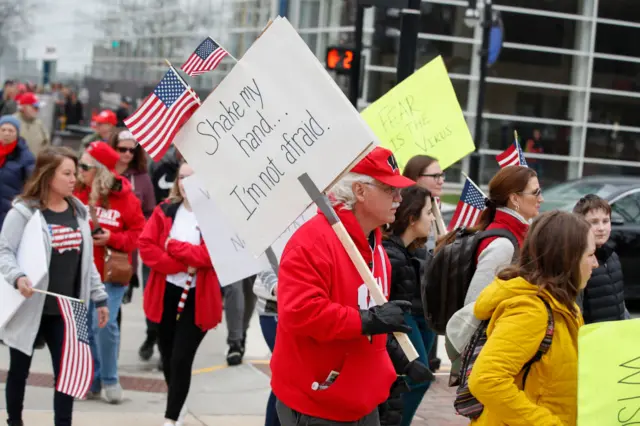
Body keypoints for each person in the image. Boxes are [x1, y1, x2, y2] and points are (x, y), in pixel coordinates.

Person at [271, 147, 431, 426]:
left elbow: (372, 318)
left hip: (362, 399)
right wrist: (367, 320)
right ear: (360, 190)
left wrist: (399, 358)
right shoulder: (312, 241)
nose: (399, 198)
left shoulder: (376, 245)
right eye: (389, 189)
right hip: (319, 402)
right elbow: (300, 312)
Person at [0, 146, 109, 426]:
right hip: (30, 305)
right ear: (48, 175)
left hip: (69, 309)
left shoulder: (79, 210)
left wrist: (99, 297)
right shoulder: (24, 212)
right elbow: (4, 251)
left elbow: (87, 263)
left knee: (68, 374)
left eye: (75, 173)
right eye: (67, 173)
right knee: (19, 371)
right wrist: (17, 277)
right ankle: (14, 421)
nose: (74, 179)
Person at [467, 211, 598, 425]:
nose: (596, 264)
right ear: (568, 259)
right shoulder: (531, 311)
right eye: (590, 255)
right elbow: (485, 380)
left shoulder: (564, 305)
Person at [139, 162, 223, 426]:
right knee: (166, 354)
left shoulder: (213, 215)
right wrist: (178, 263)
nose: (186, 183)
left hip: (198, 297)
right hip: (167, 291)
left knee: (181, 357)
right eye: (182, 178)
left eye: (193, 178)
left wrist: (172, 245)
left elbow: (208, 256)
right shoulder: (166, 210)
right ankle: (179, 403)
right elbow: (146, 246)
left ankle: (171, 418)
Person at [74, 141, 145, 403]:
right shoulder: (77, 193)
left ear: (101, 170)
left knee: (103, 323)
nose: (79, 170)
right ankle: (91, 378)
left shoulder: (126, 197)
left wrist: (113, 237)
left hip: (111, 274)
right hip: (81, 272)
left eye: (85, 166)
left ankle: (110, 379)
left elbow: (139, 233)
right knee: (85, 328)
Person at [382, 186, 435, 426]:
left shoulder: (409, 252)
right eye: (428, 212)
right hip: (398, 329)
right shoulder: (392, 254)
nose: (433, 217)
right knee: (415, 380)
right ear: (412, 218)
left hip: (411, 323)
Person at [110, 129, 156, 307]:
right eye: (123, 149)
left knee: (115, 307)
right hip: (102, 242)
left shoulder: (142, 178)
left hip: (126, 249)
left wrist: (139, 229)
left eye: (132, 150)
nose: (127, 153)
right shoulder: (103, 172)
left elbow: (149, 211)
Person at [573, 194, 630, 323]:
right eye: (594, 222)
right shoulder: (577, 261)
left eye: (605, 221)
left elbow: (621, 304)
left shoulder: (612, 256)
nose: (601, 228)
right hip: (591, 337)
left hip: (615, 335)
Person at [254, 268, 280, 426]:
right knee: (285, 371)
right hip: (272, 309)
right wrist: (276, 286)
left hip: (301, 307)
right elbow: (262, 264)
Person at [0, 115, 35, 231]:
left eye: (11, 130)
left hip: (10, 210)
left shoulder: (25, 156)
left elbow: (32, 183)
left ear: (17, 133)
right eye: (3, 130)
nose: (6, 133)